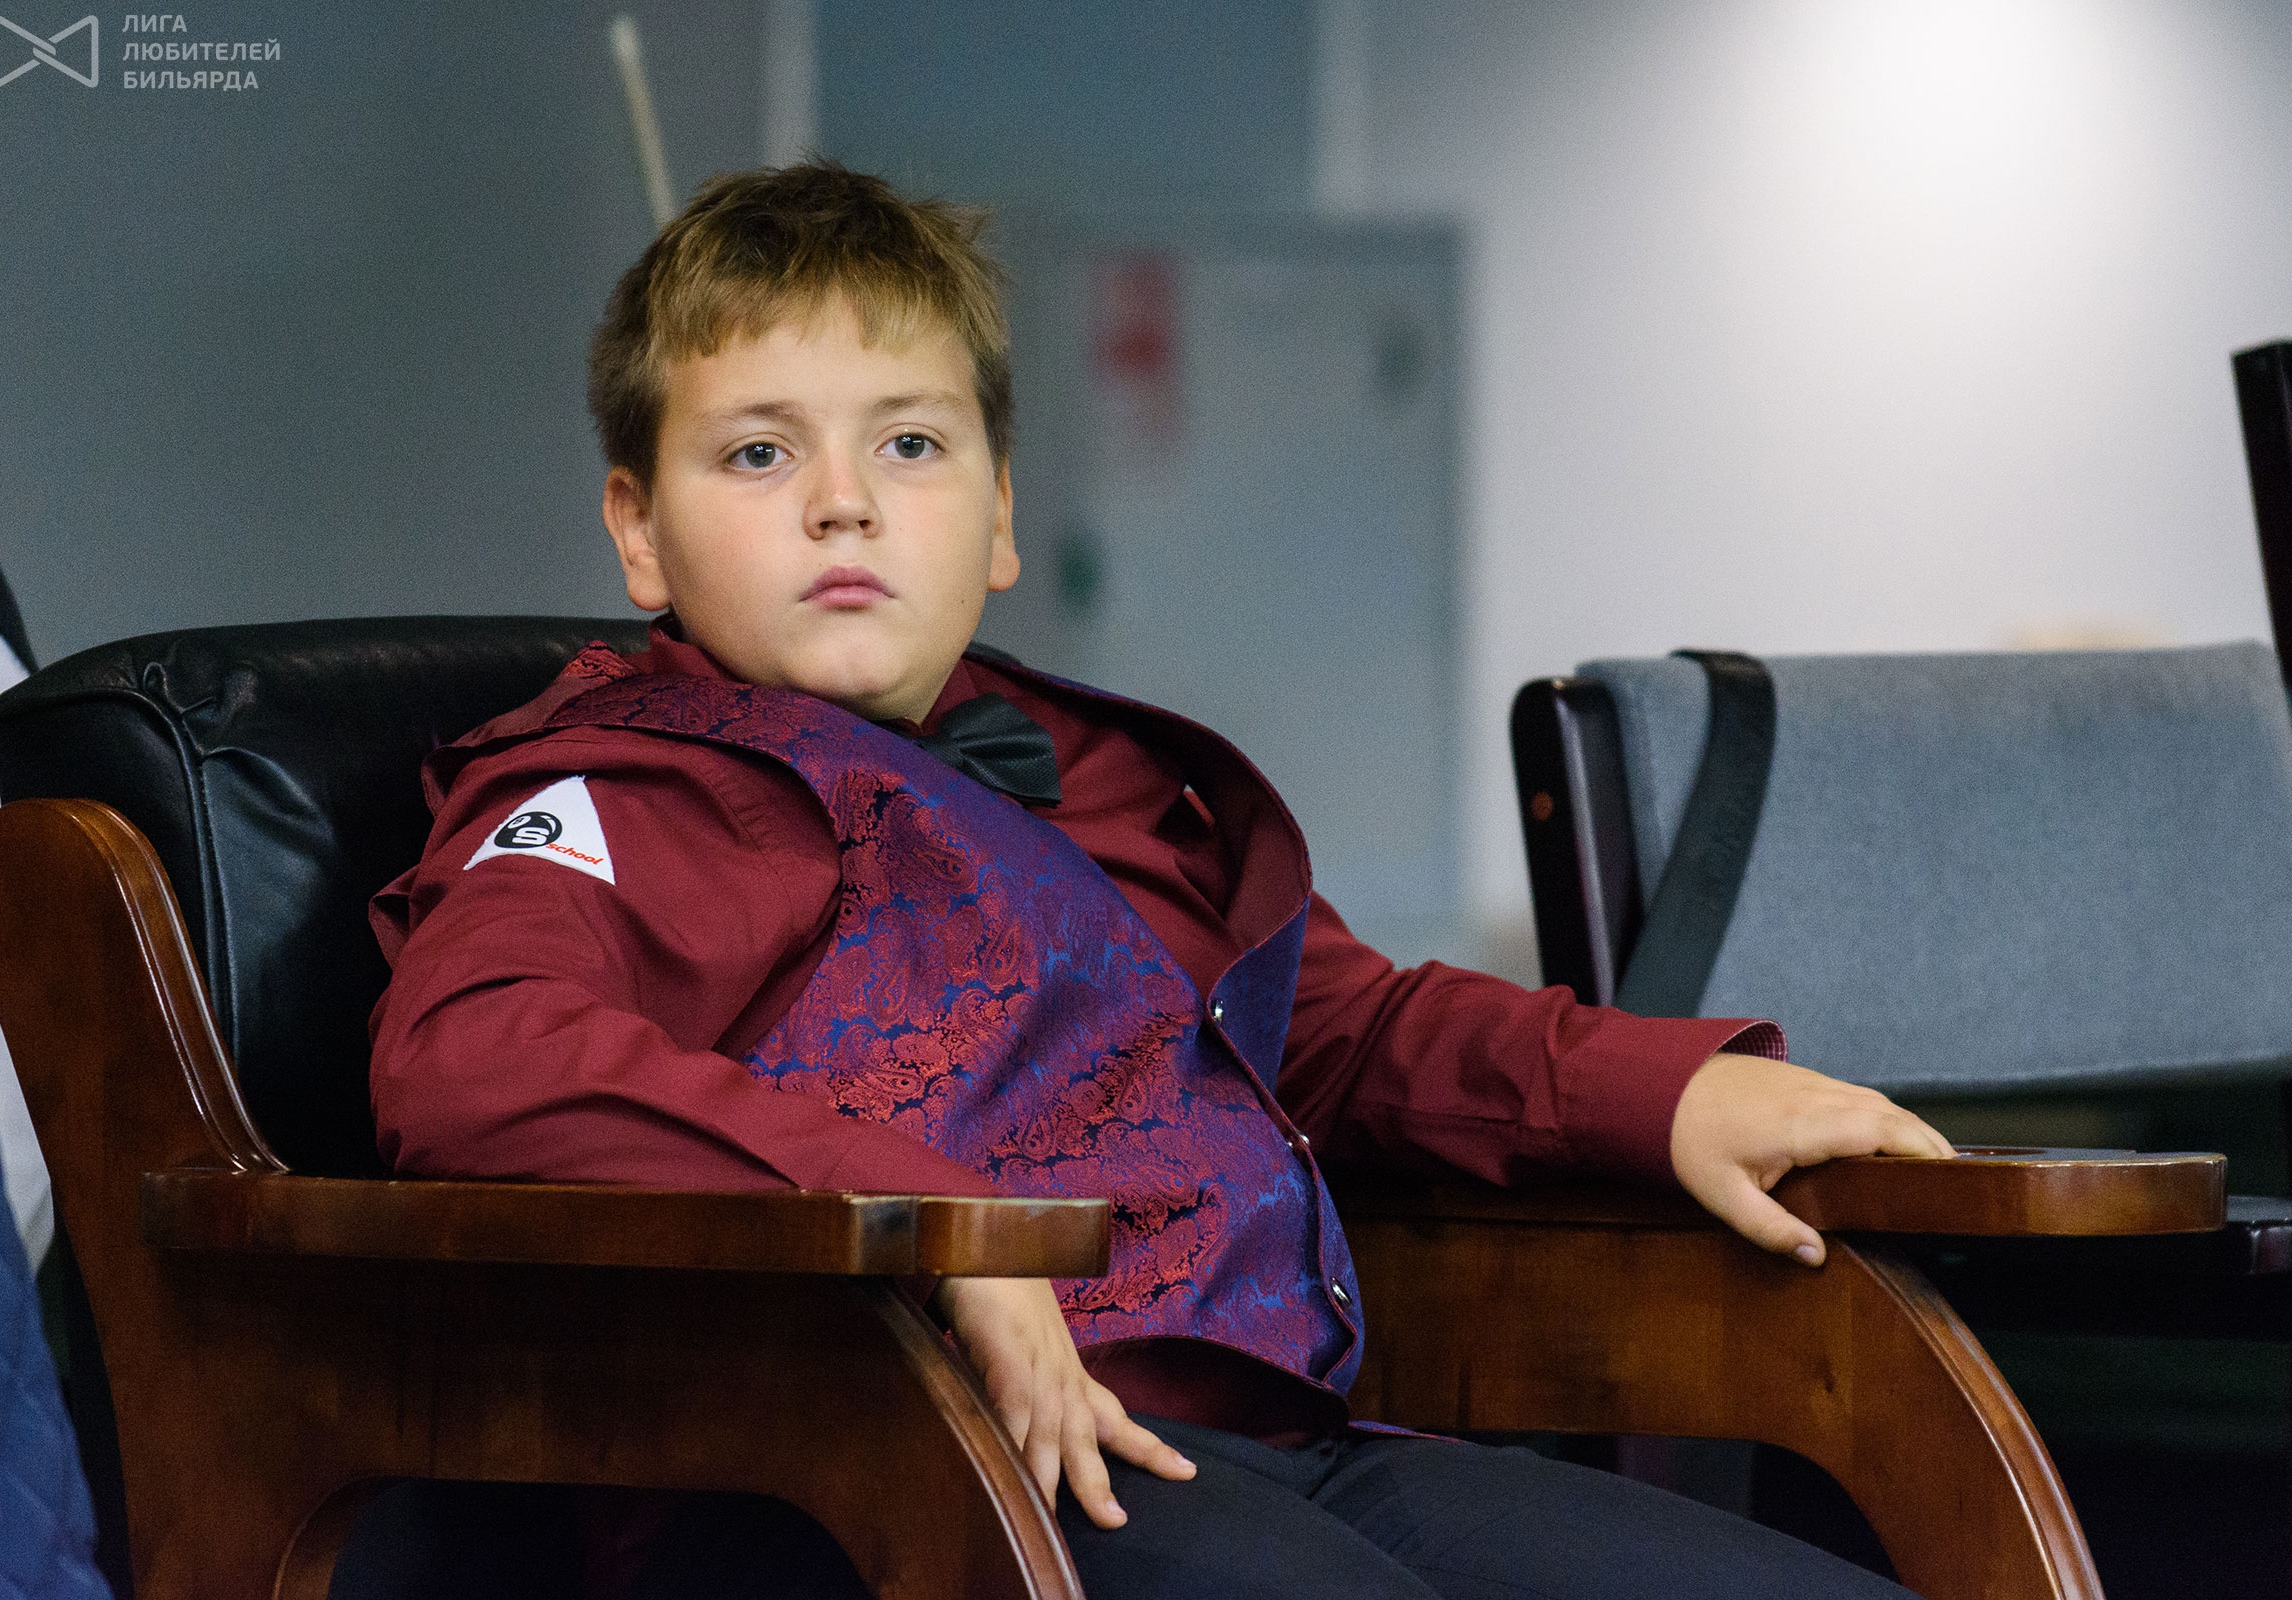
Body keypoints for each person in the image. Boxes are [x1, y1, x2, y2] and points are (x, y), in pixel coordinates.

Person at [367, 160, 1955, 1600]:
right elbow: (476, 1055)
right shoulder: (627, 788)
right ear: (640, 535)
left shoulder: (1095, 773)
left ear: (1000, 514)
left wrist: (1667, 1096)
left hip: (1277, 1439)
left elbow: (1342, 1031)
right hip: (867, 1477)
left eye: (909, 443)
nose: (842, 499)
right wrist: (938, 1231)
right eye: (759, 451)